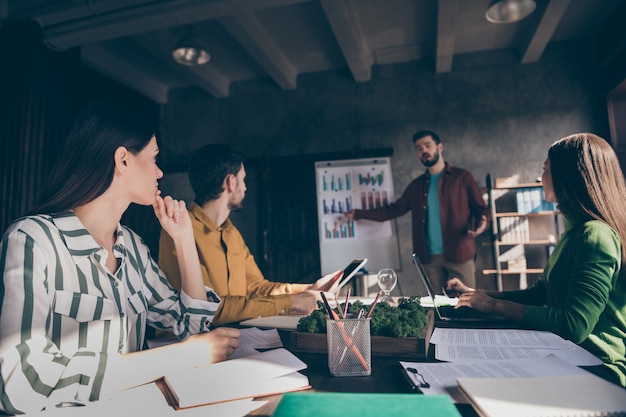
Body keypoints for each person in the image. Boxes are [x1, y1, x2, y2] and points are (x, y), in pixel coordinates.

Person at [0, 102, 240, 415]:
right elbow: (18, 383)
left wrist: (183, 240)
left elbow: (191, 327)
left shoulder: (134, 249)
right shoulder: (33, 240)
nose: (159, 172)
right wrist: (177, 358)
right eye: (154, 158)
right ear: (123, 160)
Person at [447, 133, 626, 387]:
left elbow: (574, 324)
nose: (540, 177)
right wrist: (478, 294)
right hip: (566, 356)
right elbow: (540, 294)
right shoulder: (575, 232)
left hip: (598, 367)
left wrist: (492, 306)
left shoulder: (594, 235)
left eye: (546, 170)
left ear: (569, 177)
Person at [158, 144, 339, 326]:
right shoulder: (180, 231)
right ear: (230, 182)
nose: (245, 188)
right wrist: (292, 302)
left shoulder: (231, 233)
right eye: (243, 180)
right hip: (193, 346)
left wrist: (310, 289)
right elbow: (208, 307)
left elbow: (257, 288)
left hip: (235, 337)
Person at [345, 130, 490, 291]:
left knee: (468, 303)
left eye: (428, 146)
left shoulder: (462, 177)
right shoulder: (417, 185)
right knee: (437, 308)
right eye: (419, 148)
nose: (424, 151)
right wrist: (359, 214)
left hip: (459, 252)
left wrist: (483, 221)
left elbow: (481, 209)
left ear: (440, 147)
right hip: (428, 258)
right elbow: (394, 210)